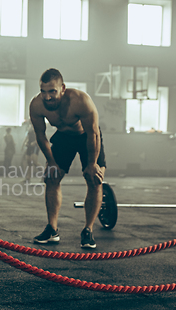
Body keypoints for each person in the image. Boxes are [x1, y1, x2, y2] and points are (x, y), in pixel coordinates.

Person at [29, 68, 106, 249]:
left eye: (52, 91)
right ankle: (52, 229)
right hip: (63, 137)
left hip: (87, 137)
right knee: (51, 177)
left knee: (94, 179)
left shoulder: (81, 101)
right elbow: (41, 136)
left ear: (62, 88)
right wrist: (52, 162)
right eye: (43, 91)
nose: (47, 97)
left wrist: (92, 164)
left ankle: (88, 230)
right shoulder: (37, 105)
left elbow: (93, 134)